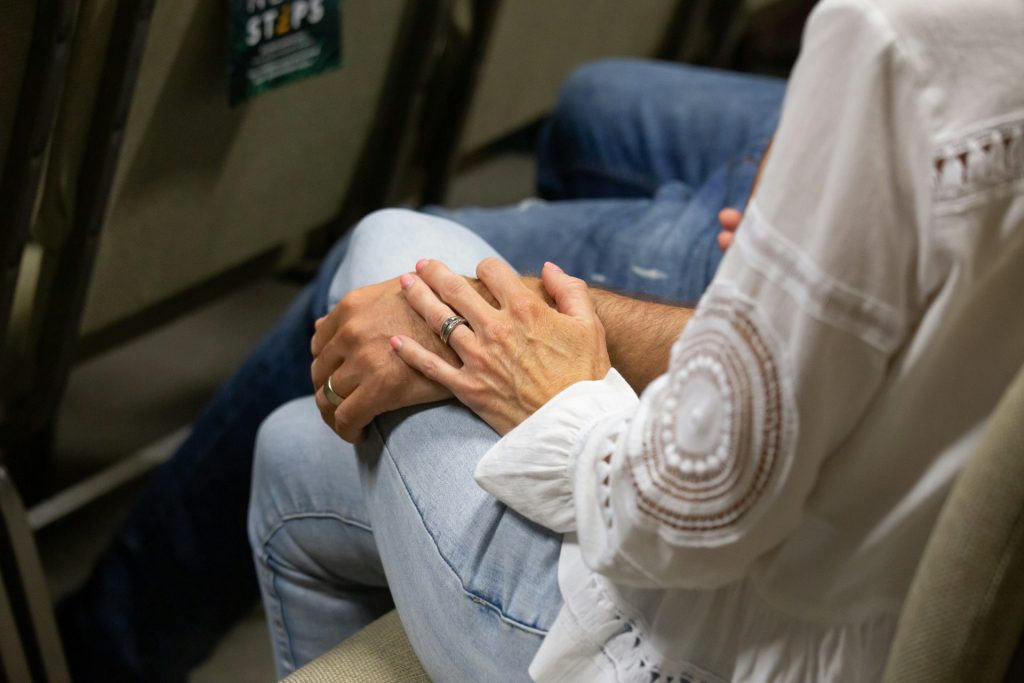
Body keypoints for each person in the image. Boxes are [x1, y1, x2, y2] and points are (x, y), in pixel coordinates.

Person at [248, 0, 1024, 681]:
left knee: (393, 253)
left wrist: (562, 393)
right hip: (871, 570)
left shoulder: (896, 41)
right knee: (290, 450)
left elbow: (688, 516)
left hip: (726, 644)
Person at [57, 57, 785, 682]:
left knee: (387, 261)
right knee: (288, 447)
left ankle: (96, 650)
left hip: (666, 626)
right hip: (720, 501)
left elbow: (767, 402)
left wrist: (554, 372)